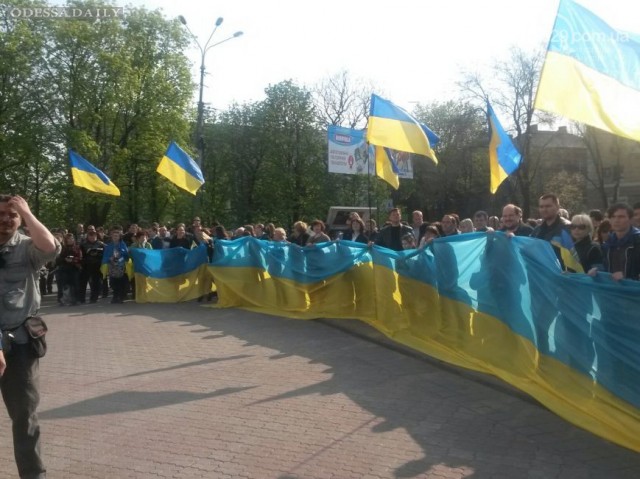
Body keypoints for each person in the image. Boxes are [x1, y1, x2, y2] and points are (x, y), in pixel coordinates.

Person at [0, 194, 60, 479]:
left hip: (20, 346)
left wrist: (28, 212)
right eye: (0, 214)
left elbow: (50, 247)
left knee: (24, 418)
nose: (5, 219)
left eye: (12, 215)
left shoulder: (27, 248)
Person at [589, 203, 640, 281]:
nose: (616, 220)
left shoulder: (637, 240)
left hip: (634, 291)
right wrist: (598, 270)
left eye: (621, 217)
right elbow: (607, 267)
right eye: (613, 217)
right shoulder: (608, 244)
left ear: (630, 219)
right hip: (613, 290)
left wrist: (627, 276)